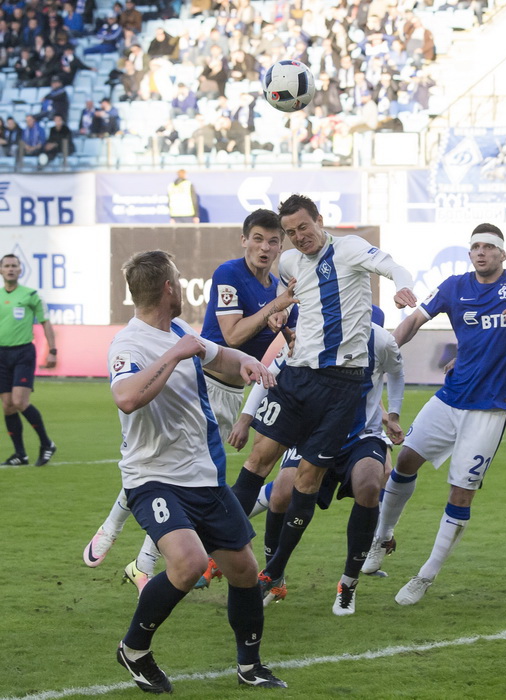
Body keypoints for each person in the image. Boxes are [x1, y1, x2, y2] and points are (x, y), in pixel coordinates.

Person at [84, 210, 298, 592]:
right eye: (259, 238)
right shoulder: (232, 275)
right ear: (244, 239)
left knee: (180, 474)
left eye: (273, 241)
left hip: (233, 392)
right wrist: (275, 308)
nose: (266, 247)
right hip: (208, 388)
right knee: (174, 471)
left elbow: (255, 339)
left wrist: (279, 326)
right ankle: (123, 538)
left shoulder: (277, 285)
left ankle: (145, 562)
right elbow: (232, 336)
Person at [361, 223, 506, 606]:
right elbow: (415, 319)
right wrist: (388, 346)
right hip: (450, 398)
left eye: (489, 247)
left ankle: (425, 576)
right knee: (405, 461)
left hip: (488, 409)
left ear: (502, 254)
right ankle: (381, 539)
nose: (481, 252)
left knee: (461, 491)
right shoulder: (455, 286)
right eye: (475, 246)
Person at [108, 250, 286, 692]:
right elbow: (127, 398)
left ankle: (250, 666)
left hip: (202, 477)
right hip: (152, 477)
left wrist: (243, 362)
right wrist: (174, 354)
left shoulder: (179, 330)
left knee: (244, 571)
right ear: (168, 287)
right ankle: (134, 649)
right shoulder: (128, 344)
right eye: (178, 277)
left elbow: (215, 354)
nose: (182, 282)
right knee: (189, 564)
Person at [230, 194, 416, 602]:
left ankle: (274, 573)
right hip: (298, 377)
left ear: (319, 220)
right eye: (291, 233)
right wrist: (280, 314)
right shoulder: (291, 263)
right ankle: (219, 540)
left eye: (304, 228)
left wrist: (403, 285)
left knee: (306, 481)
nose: (299, 238)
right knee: (259, 459)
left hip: (342, 387)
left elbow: (391, 265)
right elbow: (287, 292)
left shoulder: (348, 248)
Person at [240, 309, 405, 615]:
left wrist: (391, 415)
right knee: (280, 494)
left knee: (369, 485)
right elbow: (272, 371)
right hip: (313, 432)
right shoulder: (313, 333)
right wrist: (246, 418)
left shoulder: (379, 340)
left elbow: (396, 371)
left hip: (361, 436)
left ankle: (348, 584)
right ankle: (274, 574)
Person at [0, 254, 57, 467]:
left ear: (20, 270)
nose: (11, 269)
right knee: (7, 406)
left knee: (19, 401)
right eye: (7, 266)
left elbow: (45, 322)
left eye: (14, 265)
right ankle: (20, 454)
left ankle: (47, 443)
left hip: (23, 352)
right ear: (1, 270)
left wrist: (52, 350)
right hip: (1, 355)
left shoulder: (30, 295)